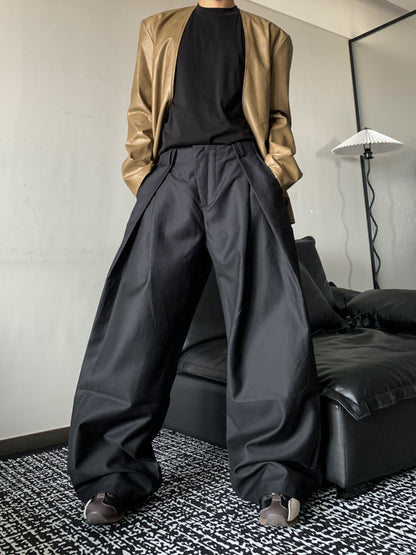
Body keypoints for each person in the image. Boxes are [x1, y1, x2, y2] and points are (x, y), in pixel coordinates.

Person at [67, 0, 323, 528]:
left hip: (243, 171)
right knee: (137, 321)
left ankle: (276, 474)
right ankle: (112, 473)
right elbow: (142, 110)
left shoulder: (269, 35)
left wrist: (271, 173)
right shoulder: (157, 28)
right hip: (171, 173)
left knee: (268, 321)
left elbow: (278, 117)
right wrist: (146, 177)